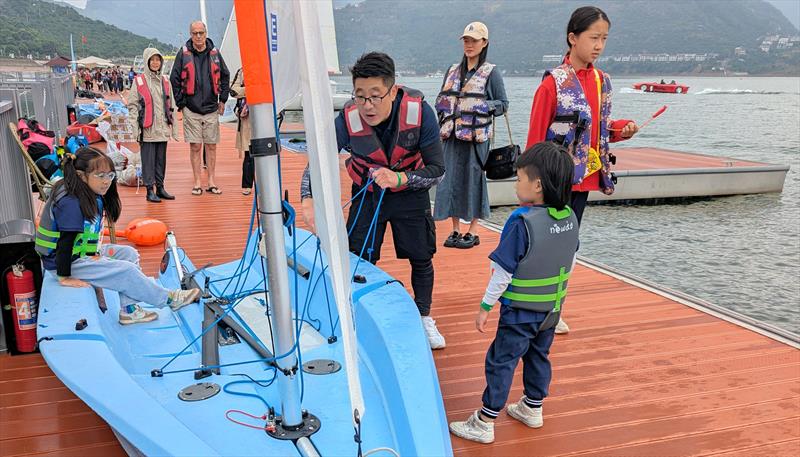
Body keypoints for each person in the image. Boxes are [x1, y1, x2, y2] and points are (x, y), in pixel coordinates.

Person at [300, 52, 447, 349]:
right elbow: (318, 159)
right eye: (360, 96)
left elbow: (438, 171)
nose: (367, 105)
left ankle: (423, 317)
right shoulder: (347, 118)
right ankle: (357, 315)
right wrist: (307, 198)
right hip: (366, 194)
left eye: (375, 96)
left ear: (393, 90)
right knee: (357, 258)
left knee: (421, 257)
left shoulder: (421, 114)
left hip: (410, 193)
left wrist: (400, 178)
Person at [448, 142, 578, 444]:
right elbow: (569, 260)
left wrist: (485, 306)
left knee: (501, 360)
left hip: (519, 313)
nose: (516, 183)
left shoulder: (522, 223)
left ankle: (485, 420)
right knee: (538, 356)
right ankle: (533, 407)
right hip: (550, 310)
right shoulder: (569, 217)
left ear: (537, 185)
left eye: (519, 178)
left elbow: (503, 272)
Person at [526, 6, 638, 334]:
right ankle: (535, 307)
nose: (599, 45)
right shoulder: (553, 83)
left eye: (604, 38)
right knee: (544, 244)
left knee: (569, 245)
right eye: (593, 38)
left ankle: (553, 307)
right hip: (555, 180)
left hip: (585, 180)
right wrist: (534, 181)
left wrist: (621, 129)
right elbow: (536, 136)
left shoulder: (602, 81)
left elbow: (597, 127)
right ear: (572, 38)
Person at [34, 147, 201, 325]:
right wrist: (64, 277)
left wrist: (95, 255)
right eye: (100, 176)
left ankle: (129, 310)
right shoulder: (71, 202)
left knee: (128, 254)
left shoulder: (84, 191)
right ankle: (170, 299)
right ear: (81, 176)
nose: (107, 181)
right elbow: (65, 243)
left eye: (110, 175)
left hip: (80, 255)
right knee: (126, 270)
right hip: (64, 262)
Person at [434, 22, 508, 250]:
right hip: (451, 137)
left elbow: (503, 104)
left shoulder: (491, 72)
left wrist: (481, 106)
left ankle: (473, 231)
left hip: (476, 139)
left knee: (474, 179)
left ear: (484, 43)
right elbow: (442, 99)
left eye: (474, 40)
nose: (469, 45)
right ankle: (455, 229)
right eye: (466, 40)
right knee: (450, 180)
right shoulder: (452, 70)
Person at [170, 20, 231, 196]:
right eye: (195, 33)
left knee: (211, 146)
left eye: (201, 33)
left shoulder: (215, 54)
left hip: (212, 107)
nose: (198, 36)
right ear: (191, 34)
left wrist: (223, 99)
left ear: (206, 33)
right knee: (195, 146)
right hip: (191, 108)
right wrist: (181, 103)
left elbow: (225, 76)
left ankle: (211, 180)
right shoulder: (183, 54)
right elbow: (175, 80)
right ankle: (197, 181)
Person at [126, 47, 179, 203]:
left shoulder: (166, 80)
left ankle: (160, 188)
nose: (155, 63)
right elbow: (133, 106)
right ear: (147, 61)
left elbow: (173, 105)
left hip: (162, 128)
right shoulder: (139, 81)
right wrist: (135, 129)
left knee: (161, 160)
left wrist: (174, 130)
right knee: (148, 160)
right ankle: (150, 190)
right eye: (152, 60)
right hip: (147, 129)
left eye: (158, 60)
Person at [230, 68, 254, 195]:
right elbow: (233, 91)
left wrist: (245, 90)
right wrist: (250, 90)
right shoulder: (241, 71)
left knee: (265, 153)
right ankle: (247, 185)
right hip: (246, 118)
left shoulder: (267, 68)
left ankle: (265, 185)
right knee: (248, 154)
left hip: (264, 116)